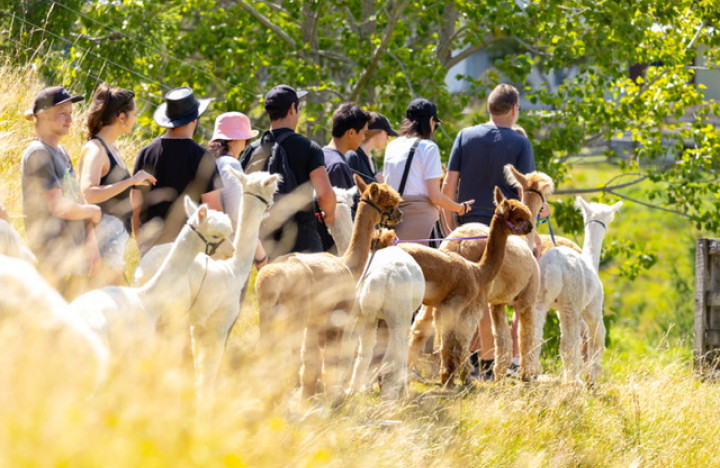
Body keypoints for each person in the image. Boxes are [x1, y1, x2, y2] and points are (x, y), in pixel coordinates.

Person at [441, 83, 535, 379]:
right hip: (499, 233)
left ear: (488, 108)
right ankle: (490, 363)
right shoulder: (520, 144)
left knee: (458, 298)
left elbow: (448, 186)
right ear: (514, 110)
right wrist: (529, 239)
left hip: (463, 226)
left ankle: (458, 360)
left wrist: (450, 226)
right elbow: (525, 193)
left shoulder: (464, 135)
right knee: (493, 298)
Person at [21, 86, 102, 296]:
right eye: (62, 114)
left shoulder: (61, 151)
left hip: (75, 256)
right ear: (44, 116)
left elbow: (76, 199)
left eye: (70, 113)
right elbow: (59, 207)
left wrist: (91, 241)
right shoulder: (38, 154)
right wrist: (93, 212)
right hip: (53, 259)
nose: (70, 119)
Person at [240, 84, 336, 260]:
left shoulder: (252, 150)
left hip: (263, 244)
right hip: (304, 243)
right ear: (293, 108)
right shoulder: (309, 148)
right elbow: (326, 195)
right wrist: (329, 216)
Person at [78, 84, 156, 284]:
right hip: (104, 240)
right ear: (121, 117)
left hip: (114, 240)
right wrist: (131, 181)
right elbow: (89, 194)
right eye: (134, 114)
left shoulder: (112, 148)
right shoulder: (96, 150)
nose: (135, 119)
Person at [131, 87, 222, 254]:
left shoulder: (146, 152)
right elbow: (214, 210)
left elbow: (135, 206)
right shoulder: (202, 157)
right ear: (195, 119)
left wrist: (141, 246)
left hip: (151, 247)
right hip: (188, 250)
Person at [382, 98, 474, 246]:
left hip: (393, 224)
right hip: (422, 225)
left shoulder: (392, 146)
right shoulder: (428, 147)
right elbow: (435, 197)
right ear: (431, 120)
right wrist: (460, 208)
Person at [208, 111, 267, 267]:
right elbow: (239, 216)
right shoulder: (231, 165)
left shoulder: (210, 162)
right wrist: (260, 256)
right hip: (231, 257)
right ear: (238, 138)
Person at [322, 102, 371, 189]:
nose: (364, 138)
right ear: (351, 133)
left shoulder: (322, 154)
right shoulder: (338, 166)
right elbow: (341, 202)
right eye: (363, 133)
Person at [347, 111, 398, 184]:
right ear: (377, 133)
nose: (387, 138)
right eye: (387, 133)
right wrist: (375, 181)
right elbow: (348, 190)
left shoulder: (372, 159)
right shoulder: (352, 156)